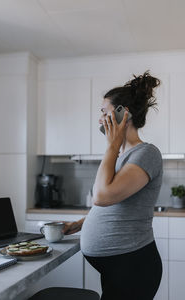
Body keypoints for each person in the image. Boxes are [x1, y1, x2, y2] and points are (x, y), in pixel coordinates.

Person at [62, 71, 163, 300]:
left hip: (134, 267)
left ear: (122, 114)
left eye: (103, 112)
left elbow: (102, 196)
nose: (100, 119)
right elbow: (114, 206)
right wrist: (80, 223)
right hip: (120, 267)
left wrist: (112, 145)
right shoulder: (122, 156)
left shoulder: (147, 153)